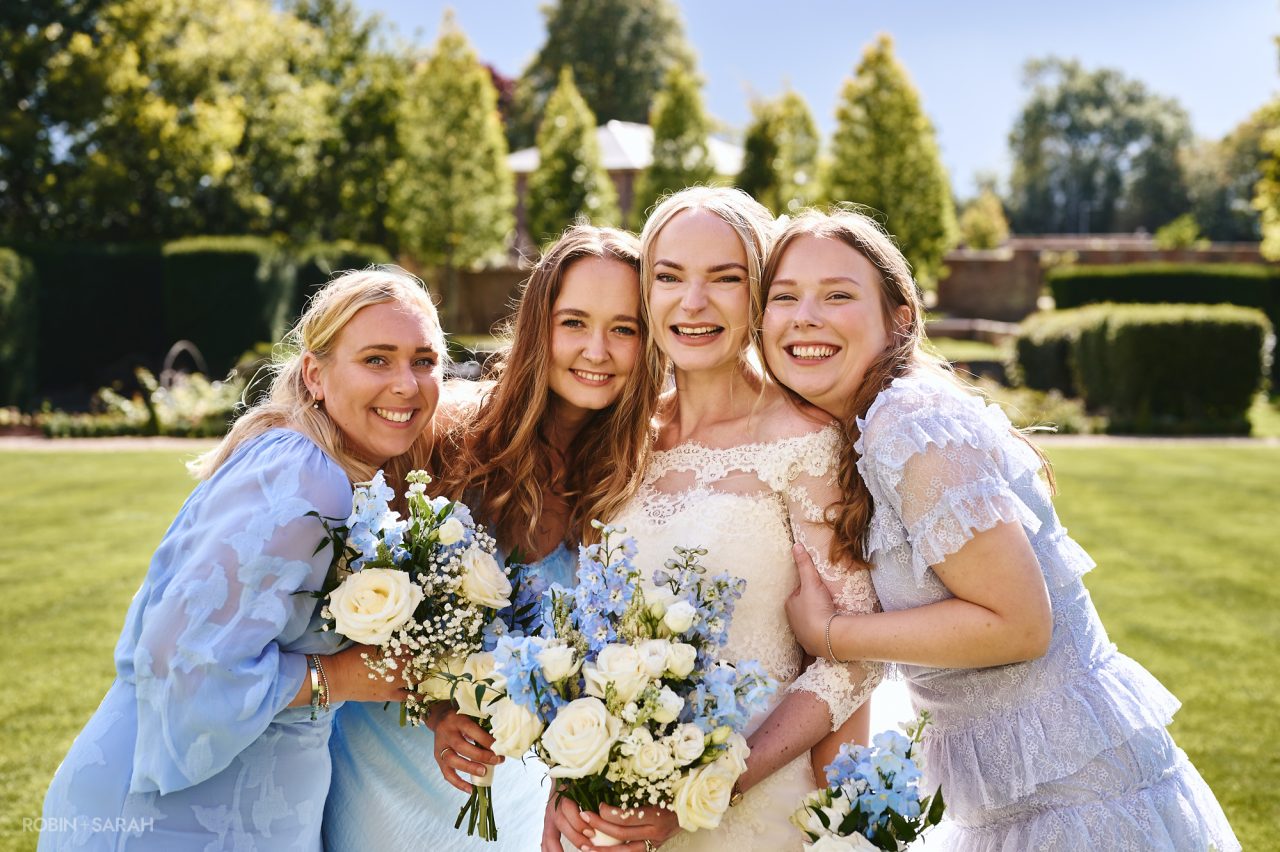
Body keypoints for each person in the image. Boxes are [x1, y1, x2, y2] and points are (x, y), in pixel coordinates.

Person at [763, 209, 1240, 850]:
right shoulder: (867, 428)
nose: (805, 316)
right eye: (784, 296)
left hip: (1079, 807)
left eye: (838, 295)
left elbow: (1019, 624)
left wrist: (830, 634)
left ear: (899, 316)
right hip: (1023, 802)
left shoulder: (905, 419)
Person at [40, 267, 446, 851]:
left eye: (424, 360)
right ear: (315, 374)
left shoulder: (328, 467)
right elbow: (188, 664)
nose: (406, 383)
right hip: (175, 816)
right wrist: (345, 677)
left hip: (250, 805)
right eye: (377, 360)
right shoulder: (304, 474)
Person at [550, 188, 882, 852]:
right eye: (669, 277)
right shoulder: (620, 442)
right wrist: (569, 791)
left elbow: (854, 658)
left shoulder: (807, 445)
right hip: (612, 819)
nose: (691, 303)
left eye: (723, 279)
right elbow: (586, 641)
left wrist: (709, 787)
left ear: (759, 291)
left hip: (756, 815)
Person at [323, 226, 661, 852]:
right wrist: (434, 712)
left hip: (514, 788)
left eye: (624, 328)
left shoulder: (634, 474)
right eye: (574, 322)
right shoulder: (448, 435)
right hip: (389, 771)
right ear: (539, 328)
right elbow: (363, 602)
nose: (597, 350)